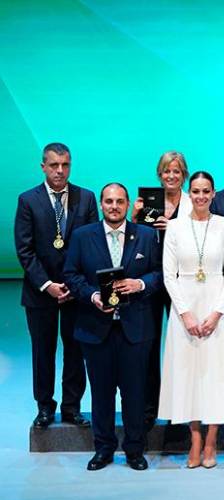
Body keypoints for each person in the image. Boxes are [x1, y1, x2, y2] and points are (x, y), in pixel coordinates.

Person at [63, 183, 162, 471]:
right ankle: (103, 449)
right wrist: (93, 295)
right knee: (101, 393)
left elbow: (160, 273)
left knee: (135, 394)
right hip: (96, 329)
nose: (114, 206)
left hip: (135, 329)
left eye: (120, 201)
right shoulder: (83, 236)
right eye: (109, 201)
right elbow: (71, 273)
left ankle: (134, 450)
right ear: (102, 204)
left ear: (128, 203)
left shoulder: (145, 235)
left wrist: (140, 283)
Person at [158, 171, 224, 469]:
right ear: (190, 192)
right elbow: (168, 275)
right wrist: (185, 313)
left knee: (215, 376)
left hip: (217, 309)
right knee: (188, 376)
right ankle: (194, 439)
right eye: (195, 191)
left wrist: (215, 313)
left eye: (205, 191)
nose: (199, 196)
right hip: (184, 308)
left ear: (212, 194)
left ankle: (212, 441)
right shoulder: (174, 227)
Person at [15, 142, 96, 429]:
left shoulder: (85, 199)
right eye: (54, 165)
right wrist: (48, 284)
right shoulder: (28, 200)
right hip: (40, 292)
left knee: (76, 351)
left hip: (76, 292)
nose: (60, 171)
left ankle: (72, 408)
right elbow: (25, 250)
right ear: (43, 167)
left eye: (65, 165)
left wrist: (73, 286)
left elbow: (91, 246)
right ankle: (45, 408)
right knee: (43, 351)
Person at [131, 150, 194, 430]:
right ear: (159, 174)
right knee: (149, 344)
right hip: (151, 280)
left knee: (185, 344)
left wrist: (175, 227)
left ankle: (186, 405)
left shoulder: (194, 204)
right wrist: (134, 219)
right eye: (166, 171)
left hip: (184, 281)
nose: (171, 176)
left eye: (177, 172)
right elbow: (131, 241)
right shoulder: (147, 203)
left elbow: (200, 238)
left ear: (184, 176)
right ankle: (149, 408)